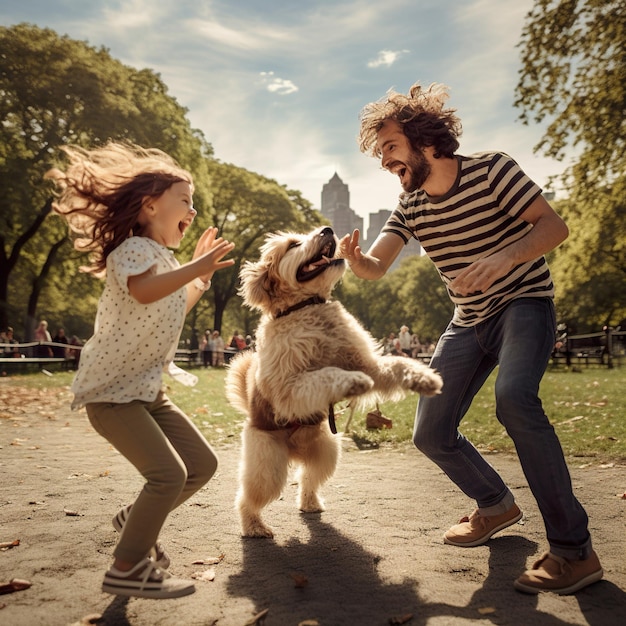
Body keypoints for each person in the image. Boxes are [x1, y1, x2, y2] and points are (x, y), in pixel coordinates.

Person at [339, 81, 602, 595]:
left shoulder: (491, 170)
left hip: (524, 304)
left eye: (390, 147)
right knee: (430, 433)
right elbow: (376, 266)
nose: (385, 160)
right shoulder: (410, 204)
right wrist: (356, 262)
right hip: (468, 320)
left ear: (424, 141)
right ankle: (496, 504)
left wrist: (503, 258)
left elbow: (554, 227)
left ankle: (575, 551)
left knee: (515, 400)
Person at [47, 141, 235, 600]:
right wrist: (195, 266)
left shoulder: (168, 260)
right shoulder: (132, 250)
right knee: (167, 476)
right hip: (112, 393)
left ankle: (133, 522)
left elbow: (171, 303)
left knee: (202, 465)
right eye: (184, 200)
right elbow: (145, 292)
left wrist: (200, 280)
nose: (192, 210)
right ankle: (127, 566)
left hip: (147, 391)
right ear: (150, 206)